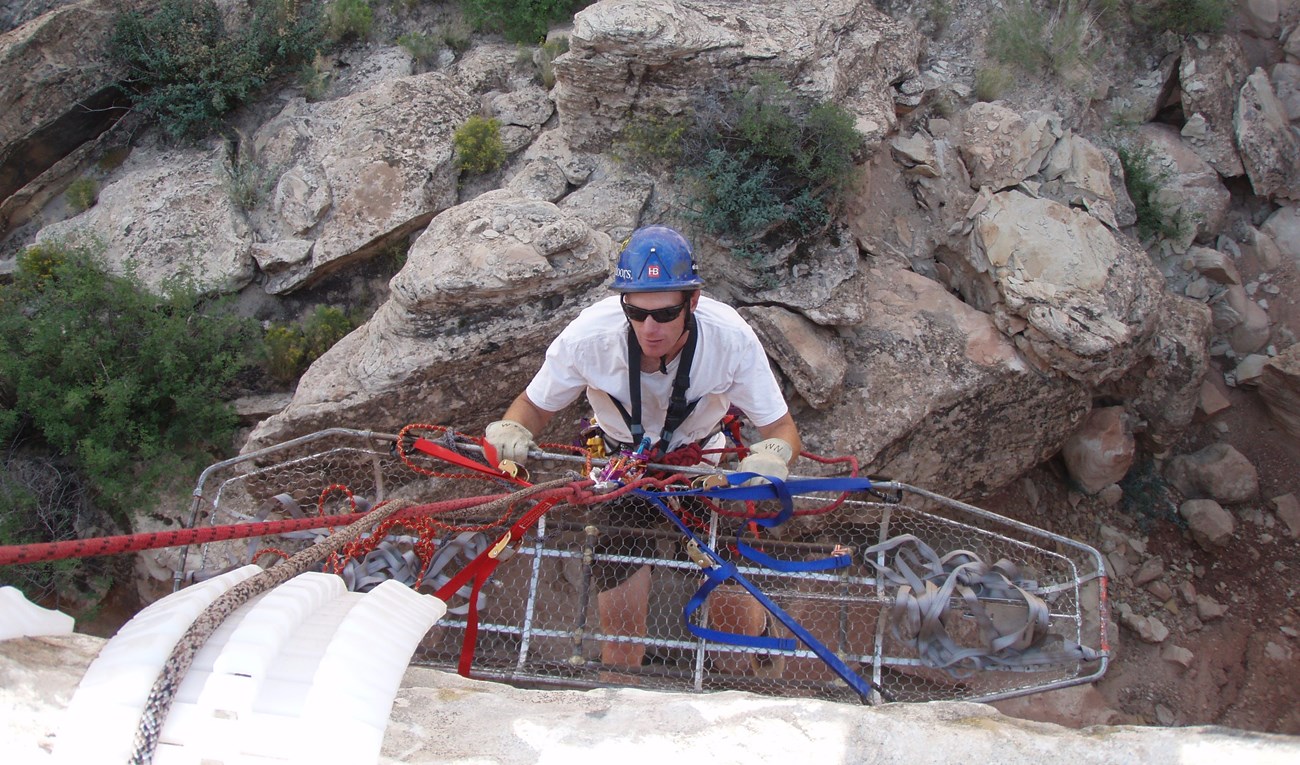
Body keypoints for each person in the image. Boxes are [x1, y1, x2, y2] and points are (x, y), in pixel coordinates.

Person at [484, 224, 801, 670]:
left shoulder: (729, 339)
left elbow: (782, 427)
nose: (650, 328)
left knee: (737, 624)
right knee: (621, 631)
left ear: (693, 301)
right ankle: (621, 704)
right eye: (636, 312)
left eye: (666, 314)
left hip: (702, 468)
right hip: (624, 473)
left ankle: (759, 646)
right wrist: (510, 429)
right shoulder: (589, 338)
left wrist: (772, 455)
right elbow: (532, 407)